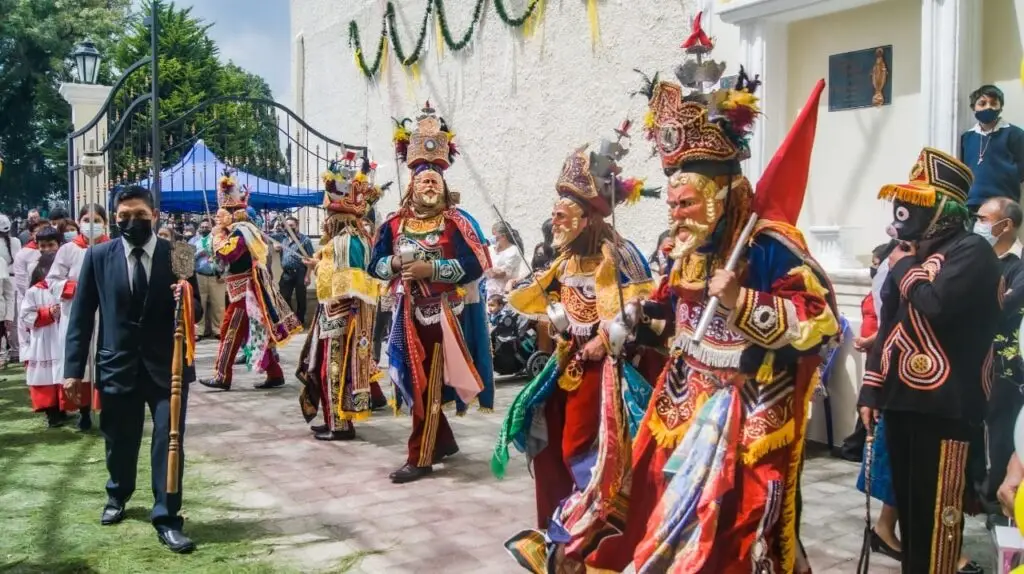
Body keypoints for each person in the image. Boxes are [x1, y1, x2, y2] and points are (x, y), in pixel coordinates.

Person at [594, 40, 839, 572]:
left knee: (739, 519)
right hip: (685, 393)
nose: (679, 213)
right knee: (655, 490)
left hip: (750, 402)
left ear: (727, 192)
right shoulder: (680, 247)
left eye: (690, 200)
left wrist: (741, 300)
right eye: (674, 201)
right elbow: (669, 308)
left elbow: (821, 321)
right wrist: (635, 319)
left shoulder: (769, 244)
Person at [495, 131, 664, 570]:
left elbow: (641, 308)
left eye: (563, 214)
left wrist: (605, 336)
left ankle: (589, 539)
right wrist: (552, 313)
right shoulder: (565, 260)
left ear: (588, 217)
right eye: (555, 215)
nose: (556, 223)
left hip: (604, 372)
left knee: (582, 452)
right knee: (548, 446)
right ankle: (558, 532)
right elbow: (531, 297)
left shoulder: (620, 253)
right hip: (566, 366)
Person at [858, 147, 1001, 574]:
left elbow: (934, 302)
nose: (905, 213)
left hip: (947, 408)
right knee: (911, 511)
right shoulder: (911, 253)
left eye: (919, 203)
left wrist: (901, 265)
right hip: (902, 403)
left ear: (945, 210)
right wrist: (870, 389)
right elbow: (887, 329)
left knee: (938, 518)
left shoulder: (972, 251)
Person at [63, 185, 202, 553]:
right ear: (114, 219)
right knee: (119, 440)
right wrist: (72, 371)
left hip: (167, 368)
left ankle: (167, 517)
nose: (132, 222)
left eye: (139, 215)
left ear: (154, 216)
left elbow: (198, 314)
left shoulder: (181, 254)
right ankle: (118, 494)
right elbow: (80, 318)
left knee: (168, 441)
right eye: (123, 217)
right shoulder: (97, 257)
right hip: (116, 363)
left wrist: (185, 299)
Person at [368, 102, 494, 484]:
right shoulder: (393, 224)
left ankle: (420, 456)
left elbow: (479, 262)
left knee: (429, 381)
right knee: (413, 379)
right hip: (407, 314)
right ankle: (442, 441)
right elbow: (374, 265)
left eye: (433, 179)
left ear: (443, 185)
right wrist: (396, 267)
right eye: (421, 178)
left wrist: (433, 269)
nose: (427, 184)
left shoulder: (457, 222)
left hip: (445, 316)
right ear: (411, 184)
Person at [296, 154, 385, 441]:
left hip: (342, 317)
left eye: (329, 218)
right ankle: (332, 419)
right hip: (331, 314)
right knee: (322, 369)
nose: (325, 223)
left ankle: (341, 424)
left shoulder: (349, 241)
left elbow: (352, 281)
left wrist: (321, 265)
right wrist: (320, 263)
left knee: (333, 371)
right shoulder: (340, 241)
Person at [198, 170, 301, 391]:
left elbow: (227, 253)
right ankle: (275, 374)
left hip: (245, 293)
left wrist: (216, 235)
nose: (218, 217)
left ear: (233, 214)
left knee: (229, 332)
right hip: (242, 289)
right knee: (253, 332)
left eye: (222, 213)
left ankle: (222, 375)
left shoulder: (240, 233)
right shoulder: (239, 231)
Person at [974, 196, 1024, 528]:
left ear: (1004, 225)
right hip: (974, 358)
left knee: (1001, 431)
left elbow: (1003, 308)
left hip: (1006, 365)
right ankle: (978, 492)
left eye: (983, 218)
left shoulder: (1019, 266)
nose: (977, 224)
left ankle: (998, 499)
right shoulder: (977, 259)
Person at [852, 242, 903, 561]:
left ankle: (886, 527)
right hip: (897, 372)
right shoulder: (899, 260)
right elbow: (892, 318)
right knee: (894, 454)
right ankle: (885, 528)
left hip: (907, 372)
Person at [46, 203, 110, 432]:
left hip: (105, 313)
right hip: (76, 311)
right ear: (79, 221)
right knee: (80, 362)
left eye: (97, 220)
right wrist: (76, 288)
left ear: (105, 223)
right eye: (86, 219)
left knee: (103, 358)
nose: (91, 225)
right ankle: (83, 410)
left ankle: (105, 410)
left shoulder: (112, 247)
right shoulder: (68, 250)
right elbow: (52, 281)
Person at [959, 85, 1024, 212]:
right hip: (972, 202)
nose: (988, 107)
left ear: (1001, 107)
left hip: (1004, 203)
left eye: (994, 103)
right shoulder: (966, 138)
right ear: (974, 108)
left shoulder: (1015, 134)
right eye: (982, 103)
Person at [20, 252, 64, 427]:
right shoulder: (34, 291)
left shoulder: (63, 288)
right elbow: (25, 317)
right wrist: (47, 313)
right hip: (44, 339)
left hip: (61, 336)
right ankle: (51, 413)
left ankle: (63, 409)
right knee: (46, 376)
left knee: (62, 374)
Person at [14, 223, 58, 362]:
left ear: (59, 244)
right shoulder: (33, 266)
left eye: (51, 245)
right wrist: (47, 311)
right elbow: (26, 289)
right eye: (42, 246)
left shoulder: (66, 264)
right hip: (42, 321)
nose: (47, 249)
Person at [273, 216, 314, 326]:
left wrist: (308, 276)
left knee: (301, 298)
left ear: (297, 226)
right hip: (286, 273)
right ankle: (290, 322)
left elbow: (311, 259)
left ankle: (300, 321)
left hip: (301, 272)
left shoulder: (305, 240)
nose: (289, 228)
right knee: (284, 297)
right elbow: (271, 239)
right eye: (287, 226)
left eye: (291, 226)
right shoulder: (283, 239)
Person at [190, 218, 225, 339]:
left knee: (218, 305)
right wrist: (199, 253)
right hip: (200, 276)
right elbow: (188, 257)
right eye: (202, 226)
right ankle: (198, 331)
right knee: (200, 304)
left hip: (216, 276)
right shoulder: (194, 241)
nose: (205, 228)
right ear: (199, 228)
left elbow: (225, 256)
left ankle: (218, 330)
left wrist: (223, 272)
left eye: (207, 227)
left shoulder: (217, 239)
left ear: (212, 228)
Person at [0, 214, 21, 366]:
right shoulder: (15, 241)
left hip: (4, 278)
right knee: (12, 320)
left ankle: (4, 353)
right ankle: (14, 351)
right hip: (13, 279)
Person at [485, 222, 525, 298]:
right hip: (490, 292)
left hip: (504, 293)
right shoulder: (490, 249)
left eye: (494, 235)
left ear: (503, 236)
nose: (492, 238)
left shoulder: (513, 251)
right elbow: (484, 268)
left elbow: (497, 274)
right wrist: (492, 270)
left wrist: (490, 270)